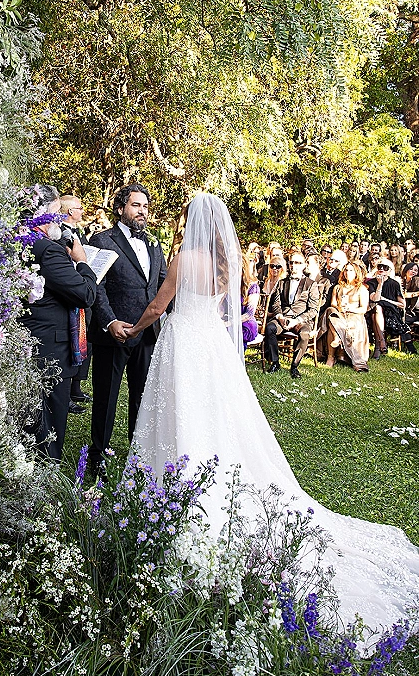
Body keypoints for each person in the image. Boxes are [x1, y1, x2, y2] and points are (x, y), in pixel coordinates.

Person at [124, 193, 419, 629]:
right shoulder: (226, 266)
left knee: (180, 411)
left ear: (193, 222)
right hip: (210, 347)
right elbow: (223, 312)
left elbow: (159, 304)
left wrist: (134, 327)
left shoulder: (184, 258)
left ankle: (170, 491)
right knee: (214, 414)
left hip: (183, 345)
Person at [88, 183, 168, 469]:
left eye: (145, 206)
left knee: (142, 398)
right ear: (120, 208)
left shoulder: (155, 243)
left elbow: (160, 285)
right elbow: (96, 286)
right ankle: (98, 455)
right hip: (115, 333)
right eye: (136, 205)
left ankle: (138, 454)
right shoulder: (102, 240)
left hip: (147, 334)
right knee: (106, 397)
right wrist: (109, 321)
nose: (142, 211)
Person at [18, 185, 97, 461]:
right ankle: (43, 489)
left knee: (27, 425)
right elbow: (85, 293)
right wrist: (83, 262)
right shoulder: (47, 251)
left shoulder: (18, 243)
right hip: (49, 352)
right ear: (39, 214)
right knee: (48, 429)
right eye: (53, 215)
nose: (57, 221)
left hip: (26, 344)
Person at [263, 251, 319, 378]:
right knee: (270, 328)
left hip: (301, 320)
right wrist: (280, 317)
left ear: (304, 265)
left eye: (298, 263)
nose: (294, 265)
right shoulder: (282, 282)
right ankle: (275, 362)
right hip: (283, 318)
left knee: (304, 334)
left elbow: (313, 310)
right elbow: (276, 305)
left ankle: (294, 366)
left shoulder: (311, 284)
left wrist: (297, 320)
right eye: (291, 262)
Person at [59, 194, 92, 412]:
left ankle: (76, 386)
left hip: (84, 288)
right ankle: (67, 392)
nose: (82, 211)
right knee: (72, 338)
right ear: (71, 211)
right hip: (72, 291)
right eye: (80, 208)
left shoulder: (80, 233)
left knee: (84, 339)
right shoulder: (61, 234)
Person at [366, 258, 417, 356]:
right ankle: (381, 343)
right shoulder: (371, 283)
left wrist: (385, 300)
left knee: (377, 312)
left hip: (391, 312)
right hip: (373, 310)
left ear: (390, 270)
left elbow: (402, 305)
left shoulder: (394, 284)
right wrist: (380, 284)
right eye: (379, 266)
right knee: (377, 309)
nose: (381, 269)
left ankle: (378, 346)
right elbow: (375, 299)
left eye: (385, 267)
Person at [325, 262, 370, 371]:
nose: (347, 273)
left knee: (337, 323)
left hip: (355, 315)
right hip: (339, 314)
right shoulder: (338, 287)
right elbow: (333, 304)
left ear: (356, 273)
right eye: (345, 270)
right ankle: (331, 354)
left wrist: (350, 308)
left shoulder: (361, 289)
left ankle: (352, 357)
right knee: (330, 312)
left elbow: (363, 309)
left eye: (350, 270)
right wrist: (339, 308)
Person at [240, 252, 260, 348]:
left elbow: (249, 314)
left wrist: (230, 322)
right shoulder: (229, 285)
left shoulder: (253, 287)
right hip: (230, 321)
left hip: (245, 323)